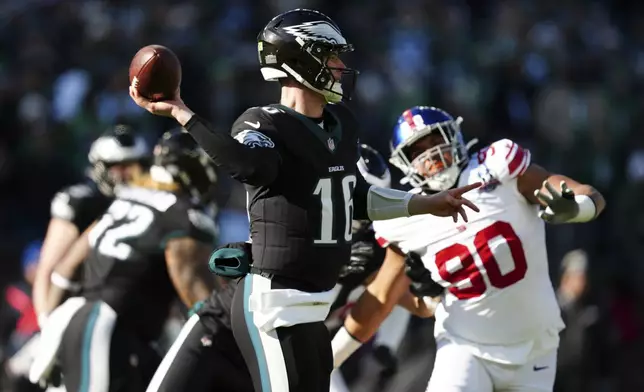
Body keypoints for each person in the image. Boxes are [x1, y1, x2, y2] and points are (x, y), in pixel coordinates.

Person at [129, 9, 480, 391]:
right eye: (330, 55)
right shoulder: (262, 123)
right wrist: (181, 112)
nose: (340, 65)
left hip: (313, 306)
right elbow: (248, 165)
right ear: (298, 60)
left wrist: (426, 203)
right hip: (274, 305)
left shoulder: (340, 123)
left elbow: (355, 196)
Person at [330, 106, 607, 392]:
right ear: (405, 163)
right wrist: (325, 362)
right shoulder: (405, 219)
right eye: (418, 151)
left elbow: (586, 194)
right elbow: (379, 299)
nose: (430, 156)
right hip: (465, 346)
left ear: (454, 138)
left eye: (435, 141)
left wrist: (578, 208)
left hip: (536, 345)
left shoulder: (497, 167)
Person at [143, 144, 432, 392]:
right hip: (222, 331)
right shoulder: (296, 216)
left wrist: (423, 286)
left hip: (278, 352)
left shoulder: (375, 249)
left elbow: (398, 300)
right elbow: (233, 260)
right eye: (355, 202)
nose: (359, 217)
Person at [29, 131, 219, 392]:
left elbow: (65, 270)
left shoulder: (126, 200)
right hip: (108, 328)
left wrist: (50, 326)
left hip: (89, 322)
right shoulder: (185, 216)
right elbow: (199, 298)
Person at [32, 125, 150, 325]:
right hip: (72, 312)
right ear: (100, 167)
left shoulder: (149, 206)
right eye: (118, 166)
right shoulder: (81, 204)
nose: (127, 173)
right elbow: (47, 269)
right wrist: (46, 323)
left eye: (134, 165)